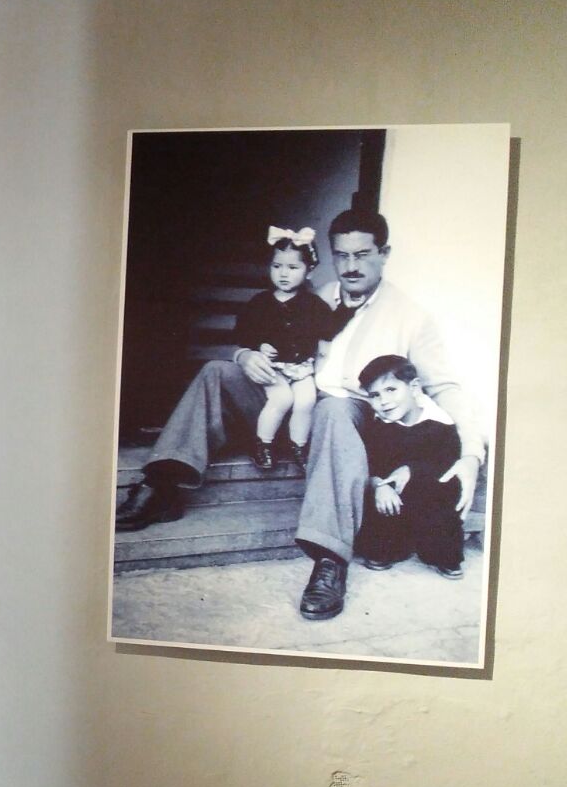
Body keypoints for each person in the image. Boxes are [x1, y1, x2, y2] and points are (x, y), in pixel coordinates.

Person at [115, 209, 482, 619]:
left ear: (385, 254)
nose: (351, 266)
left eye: (362, 255)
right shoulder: (316, 296)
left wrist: (471, 454)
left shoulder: (410, 317)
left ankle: (329, 559)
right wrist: (245, 355)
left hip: (348, 418)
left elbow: (444, 387)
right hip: (289, 402)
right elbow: (261, 333)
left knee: (334, 409)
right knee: (217, 371)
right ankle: (163, 483)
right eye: (341, 255)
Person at [354, 355, 465, 579]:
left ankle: (440, 551)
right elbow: (372, 464)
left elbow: (446, 465)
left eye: (391, 390)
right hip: (393, 499)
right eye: (375, 395)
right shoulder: (379, 427)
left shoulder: (440, 424)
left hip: (429, 496)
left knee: (442, 513)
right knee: (378, 528)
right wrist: (379, 486)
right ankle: (390, 546)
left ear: (413, 387)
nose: (384, 401)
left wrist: (411, 470)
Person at [235, 225, 333, 469]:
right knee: (282, 398)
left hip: (301, 367)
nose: (283, 274)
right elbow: (243, 333)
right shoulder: (260, 303)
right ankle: (263, 443)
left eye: (293, 267)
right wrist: (258, 346)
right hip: (273, 368)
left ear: (308, 271)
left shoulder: (314, 305)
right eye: (277, 266)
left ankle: (298, 445)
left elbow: (328, 330)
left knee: (306, 400)